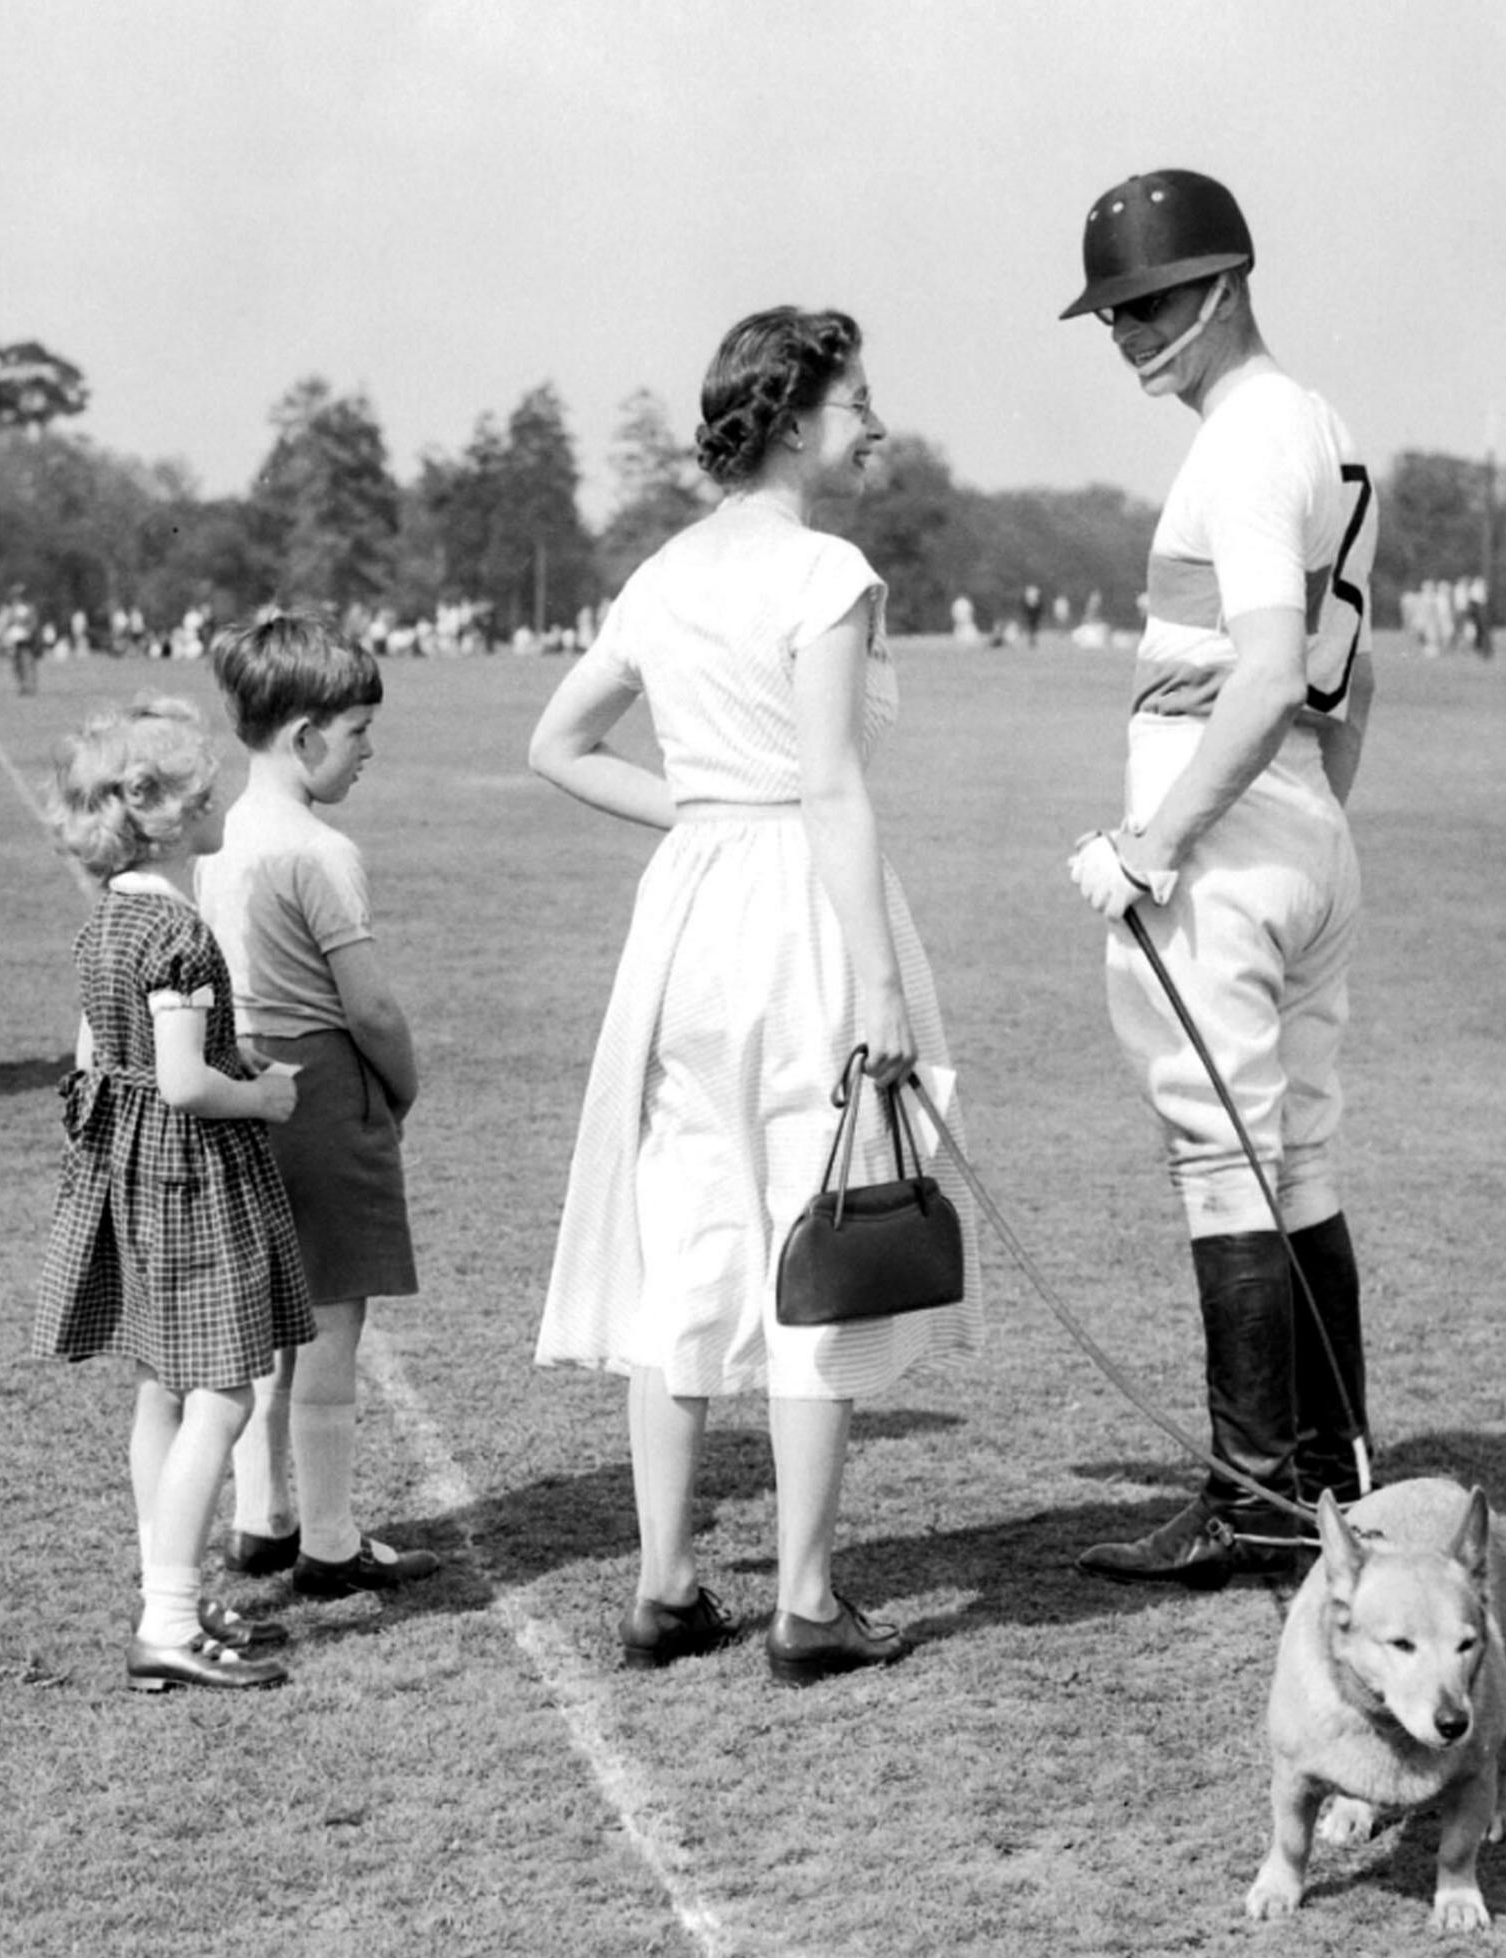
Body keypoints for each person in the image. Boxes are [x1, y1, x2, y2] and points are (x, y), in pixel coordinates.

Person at [530, 306, 979, 1685]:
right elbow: (834, 786)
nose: (877, 421)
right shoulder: (825, 569)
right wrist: (884, 991)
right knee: (819, 1230)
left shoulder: (662, 572)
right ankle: (802, 1601)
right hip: (797, 911)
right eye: (858, 398)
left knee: (694, 1240)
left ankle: (668, 1587)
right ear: (791, 415)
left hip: (692, 917)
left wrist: (702, 810)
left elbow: (558, 744)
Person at [1057, 169, 1379, 1586]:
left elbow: (1261, 675)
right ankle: (1335, 1478)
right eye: (1116, 312)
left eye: (1155, 301)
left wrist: (1162, 843)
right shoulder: (1325, 429)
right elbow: (1343, 680)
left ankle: (1254, 1501)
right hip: (1305, 823)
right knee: (1294, 1151)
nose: (1132, 333)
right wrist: (1310, 826)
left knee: (1223, 1155)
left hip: (1230, 825)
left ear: (1229, 284)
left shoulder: (1246, 440)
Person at [32, 697, 314, 1691]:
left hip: (132, 1172)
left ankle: (177, 1597)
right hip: (193, 1175)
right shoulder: (179, 935)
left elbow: (100, 1056)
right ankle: (166, 1620)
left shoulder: (109, 918)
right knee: (224, 1394)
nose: (221, 796)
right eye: (205, 788)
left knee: (160, 1385)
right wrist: (265, 1094)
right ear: (157, 810)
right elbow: (189, 1083)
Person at [195, 611, 439, 1601]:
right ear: (303, 736)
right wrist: (402, 1083)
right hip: (323, 1087)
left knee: (263, 1321)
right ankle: (331, 1540)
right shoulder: (319, 851)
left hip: (239, 1079)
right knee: (333, 1324)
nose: (369, 751)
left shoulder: (215, 842)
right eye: (356, 731)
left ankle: (263, 1516)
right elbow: (369, 1004)